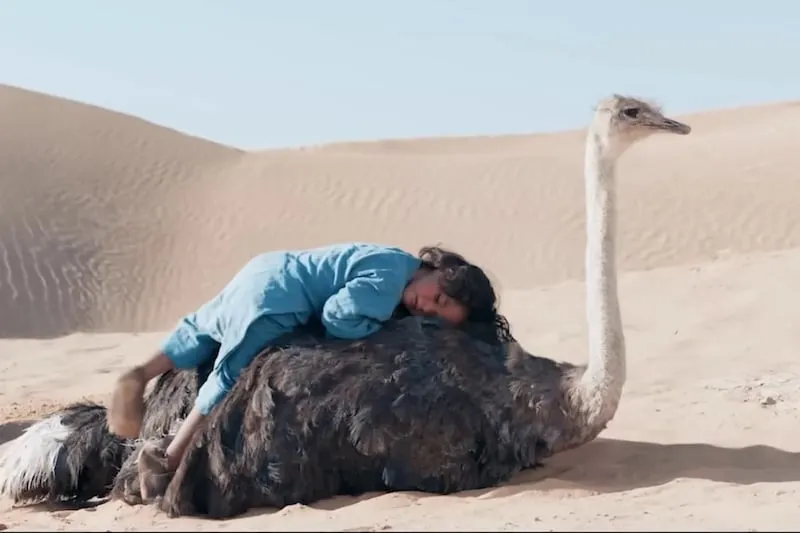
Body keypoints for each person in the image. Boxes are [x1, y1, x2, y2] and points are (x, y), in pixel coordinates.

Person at [108, 242, 513, 478]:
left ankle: (141, 373)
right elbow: (338, 316)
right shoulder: (388, 286)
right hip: (278, 300)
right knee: (230, 374)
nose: (425, 306)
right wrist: (370, 330)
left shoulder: (392, 259)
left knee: (200, 327)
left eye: (436, 314)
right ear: (438, 269)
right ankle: (169, 458)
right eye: (437, 296)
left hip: (264, 269)